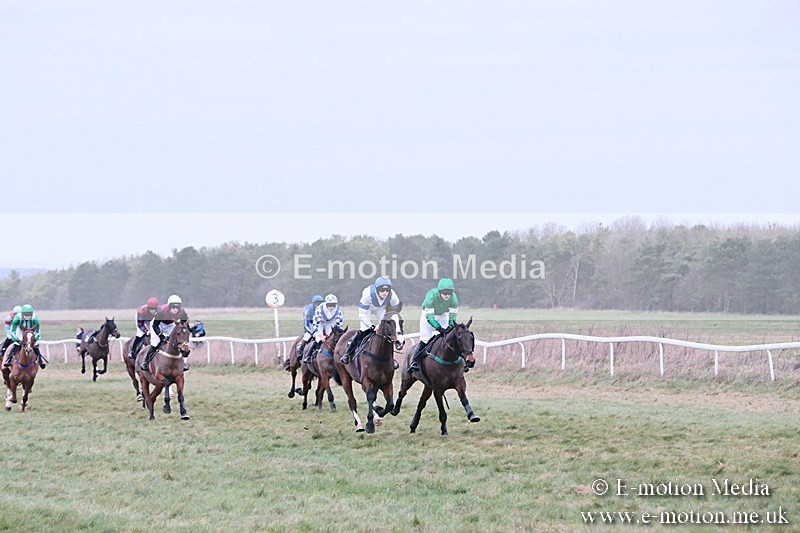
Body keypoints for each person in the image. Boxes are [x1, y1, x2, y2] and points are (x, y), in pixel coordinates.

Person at [341, 277, 402, 365]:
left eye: (387, 290)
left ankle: (391, 359)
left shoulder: (392, 295)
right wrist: (371, 326)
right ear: (377, 290)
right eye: (382, 290)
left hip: (381, 309)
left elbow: (395, 311)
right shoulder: (367, 294)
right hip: (367, 309)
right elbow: (362, 315)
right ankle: (347, 354)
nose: (385, 293)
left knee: (387, 331)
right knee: (364, 329)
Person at [409, 278, 458, 374]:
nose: (447, 295)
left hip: (443, 314)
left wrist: (450, 327)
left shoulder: (454, 298)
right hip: (428, 315)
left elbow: (452, 318)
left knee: (450, 336)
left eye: (449, 293)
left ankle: (460, 361)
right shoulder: (431, 296)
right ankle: (414, 362)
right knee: (425, 339)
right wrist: (439, 328)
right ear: (439, 291)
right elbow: (430, 318)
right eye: (444, 293)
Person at [139, 295, 190, 372]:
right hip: (158, 324)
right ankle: (146, 362)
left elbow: (184, 323)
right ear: (169, 307)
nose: (175, 310)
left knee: (179, 343)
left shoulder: (182, 312)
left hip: (170, 324)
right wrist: (161, 336)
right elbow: (155, 325)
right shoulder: (161, 312)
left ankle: (184, 363)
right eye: (173, 308)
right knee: (155, 343)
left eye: (177, 308)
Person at [303, 294, 344, 364]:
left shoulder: (338, 309)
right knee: (318, 338)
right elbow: (316, 323)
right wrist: (320, 334)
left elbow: (339, 323)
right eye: (329, 305)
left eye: (333, 305)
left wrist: (338, 332)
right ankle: (309, 356)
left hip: (329, 322)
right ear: (325, 304)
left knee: (331, 336)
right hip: (320, 323)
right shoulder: (320, 308)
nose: (331, 307)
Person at [3, 304, 46, 369]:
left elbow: (38, 332)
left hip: (32, 330)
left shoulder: (35, 319)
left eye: (29, 314)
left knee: (35, 344)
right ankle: (9, 358)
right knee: (17, 343)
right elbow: (12, 332)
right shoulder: (17, 318)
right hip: (21, 330)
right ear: (22, 313)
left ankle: (40, 359)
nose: (27, 316)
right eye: (26, 314)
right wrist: (17, 340)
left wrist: (35, 339)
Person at [296, 295, 324, 364]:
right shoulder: (309, 310)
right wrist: (311, 332)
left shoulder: (323, 309)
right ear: (314, 304)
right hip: (310, 324)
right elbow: (307, 324)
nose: (319, 305)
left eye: (320, 303)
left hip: (318, 324)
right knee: (307, 336)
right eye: (318, 304)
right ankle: (301, 351)